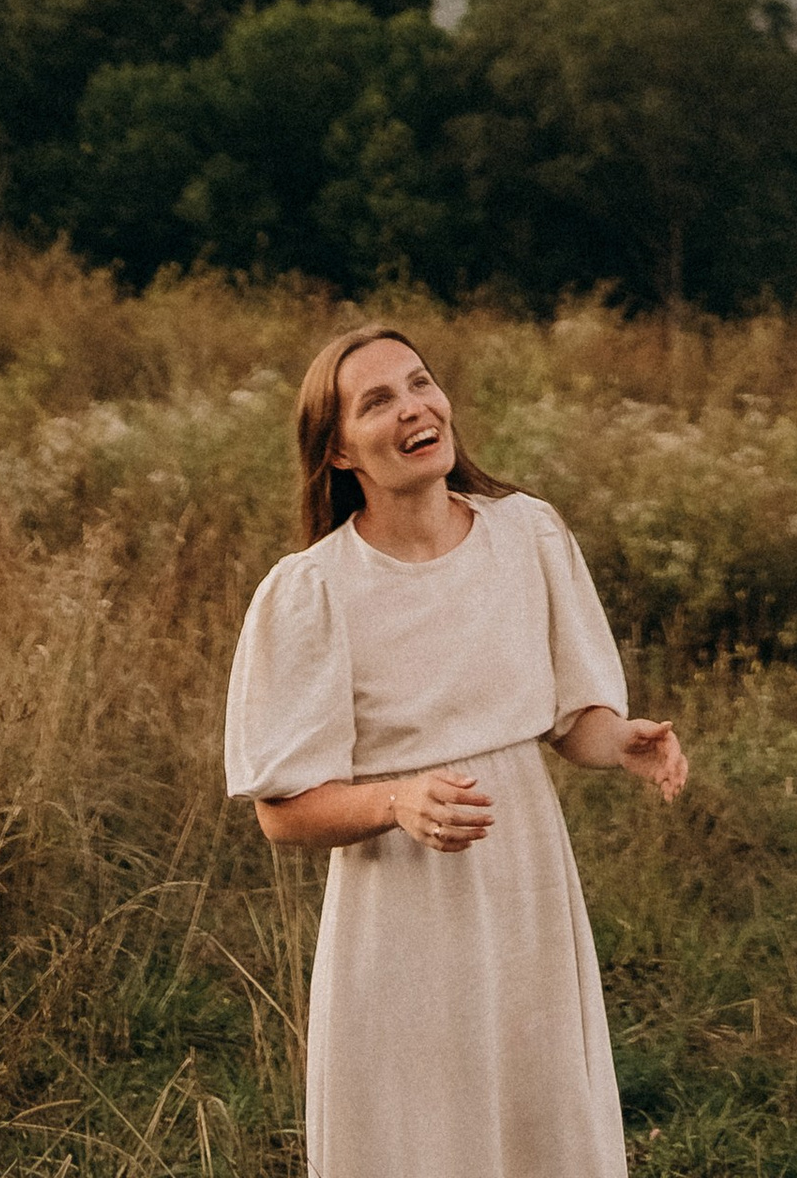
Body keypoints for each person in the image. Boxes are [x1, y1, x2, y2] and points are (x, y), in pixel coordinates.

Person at [223, 323, 688, 1178]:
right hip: (403, 915)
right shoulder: (313, 591)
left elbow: (570, 719)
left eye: (420, 383)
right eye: (377, 401)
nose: (414, 408)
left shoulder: (528, 534)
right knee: (424, 1141)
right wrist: (396, 800)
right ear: (338, 451)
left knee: (543, 1127)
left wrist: (620, 740)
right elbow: (281, 812)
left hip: (527, 892)